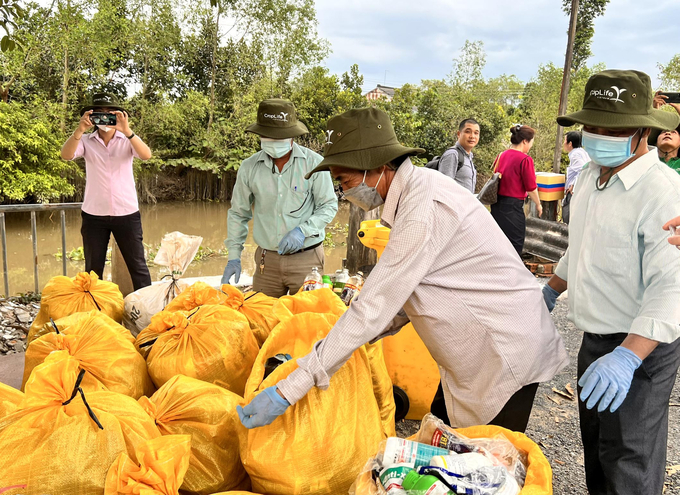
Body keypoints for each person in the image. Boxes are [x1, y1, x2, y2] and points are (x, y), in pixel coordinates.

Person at [237, 107, 569, 434]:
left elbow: (374, 306)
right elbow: (401, 300)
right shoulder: (415, 191)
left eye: (344, 180)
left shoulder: (422, 207)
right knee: (441, 441)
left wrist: (288, 390)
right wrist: (348, 341)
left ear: (376, 167)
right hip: (476, 353)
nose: (344, 191)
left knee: (482, 468)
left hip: (502, 351)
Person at [542, 70, 680, 495]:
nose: (599, 136)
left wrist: (628, 357)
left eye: (613, 129)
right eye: (593, 127)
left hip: (641, 348)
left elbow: (671, 287)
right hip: (596, 340)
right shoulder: (590, 177)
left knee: (629, 459)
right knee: (599, 450)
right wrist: (549, 290)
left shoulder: (662, 191)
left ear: (643, 132)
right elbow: (579, 249)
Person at [222, 98, 338, 297]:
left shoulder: (315, 164)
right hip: (267, 262)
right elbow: (238, 214)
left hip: (307, 259)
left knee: (307, 320)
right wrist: (234, 256)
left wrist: (303, 230)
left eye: (280, 136)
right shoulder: (249, 168)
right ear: (260, 135)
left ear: (292, 136)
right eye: (268, 136)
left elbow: (328, 206)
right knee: (261, 318)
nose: (274, 141)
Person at [60, 93, 152, 291]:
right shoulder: (85, 140)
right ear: (91, 117)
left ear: (120, 115)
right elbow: (66, 155)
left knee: (138, 266)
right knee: (93, 270)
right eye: (99, 113)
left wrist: (127, 131)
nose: (105, 118)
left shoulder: (128, 139)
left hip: (126, 213)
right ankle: (94, 312)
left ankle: (148, 311)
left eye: (111, 113)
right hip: (94, 215)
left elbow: (146, 155)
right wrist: (79, 129)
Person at [490, 125, 542, 257]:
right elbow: (531, 187)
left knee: (498, 243)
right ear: (525, 141)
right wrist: (538, 204)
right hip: (512, 207)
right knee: (515, 245)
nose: (530, 146)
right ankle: (511, 276)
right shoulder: (525, 159)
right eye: (531, 142)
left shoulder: (502, 155)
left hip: (496, 205)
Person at [438, 118, 480, 193]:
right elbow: (443, 188)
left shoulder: (469, 157)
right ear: (458, 134)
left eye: (476, 133)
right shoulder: (452, 155)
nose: (472, 136)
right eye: (468, 132)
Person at [562, 131, 590, 224]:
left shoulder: (575, 155)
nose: (563, 143)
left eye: (565, 140)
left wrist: (573, 184)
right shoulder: (582, 152)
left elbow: (583, 168)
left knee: (568, 217)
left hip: (574, 192)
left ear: (570, 143)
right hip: (582, 189)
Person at [651, 92, 680, 172]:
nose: (668, 133)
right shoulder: (646, 162)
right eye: (663, 132)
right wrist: (653, 111)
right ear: (655, 142)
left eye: (674, 132)